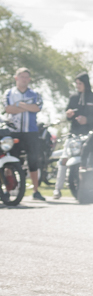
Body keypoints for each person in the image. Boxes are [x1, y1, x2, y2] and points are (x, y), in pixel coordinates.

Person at [4, 67, 46, 201]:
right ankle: (9, 188)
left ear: (30, 79)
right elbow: (8, 109)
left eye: (27, 77)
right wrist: (27, 107)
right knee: (10, 160)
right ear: (16, 78)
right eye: (22, 76)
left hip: (31, 132)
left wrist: (20, 105)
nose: (24, 79)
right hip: (14, 132)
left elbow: (37, 107)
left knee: (33, 161)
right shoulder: (9, 93)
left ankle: (35, 190)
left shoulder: (35, 94)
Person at [64, 72, 93, 137]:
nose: (78, 86)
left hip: (92, 134)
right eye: (77, 83)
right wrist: (69, 115)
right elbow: (68, 116)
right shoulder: (73, 98)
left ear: (86, 83)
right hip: (74, 134)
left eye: (80, 83)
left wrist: (87, 120)